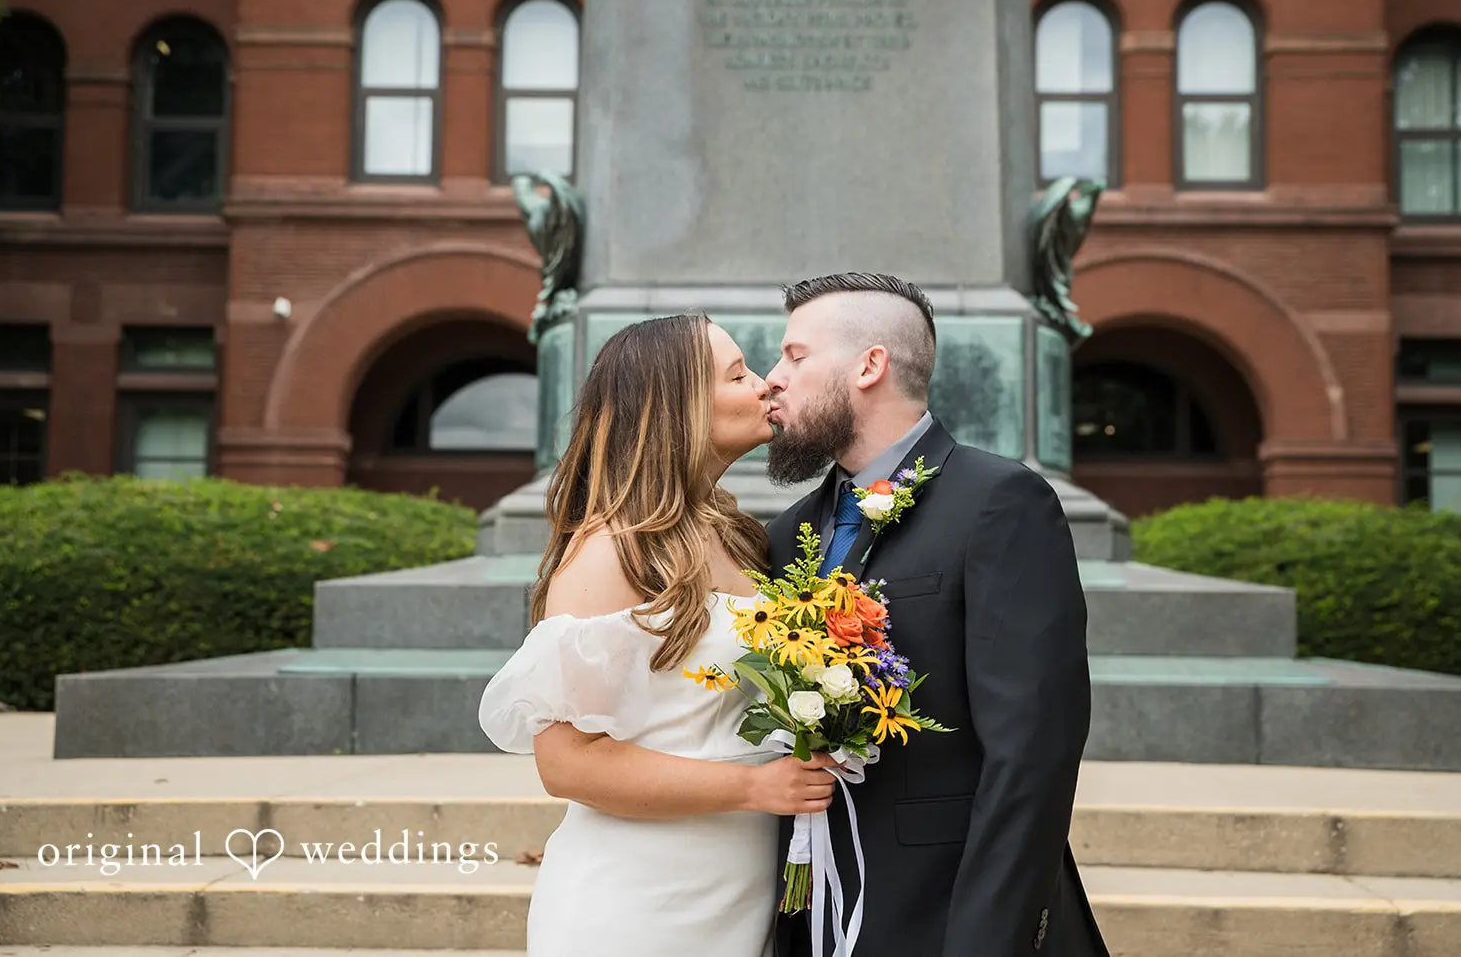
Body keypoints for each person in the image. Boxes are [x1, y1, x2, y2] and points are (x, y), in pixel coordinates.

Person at [763, 272, 1111, 957]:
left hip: (947, 913)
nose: (774, 378)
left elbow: (1031, 755)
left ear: (870, 365)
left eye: (795, 355)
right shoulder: (787, 533)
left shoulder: (999, 501)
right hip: (814, 914)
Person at [476, 313, 838, 957]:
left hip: (738, 890)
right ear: (676, 407)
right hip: (636, 904)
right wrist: (754, 786)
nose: (764, 386)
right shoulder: (609, 553)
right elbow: (566, 762)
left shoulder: (738, 536)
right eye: (737, 374)